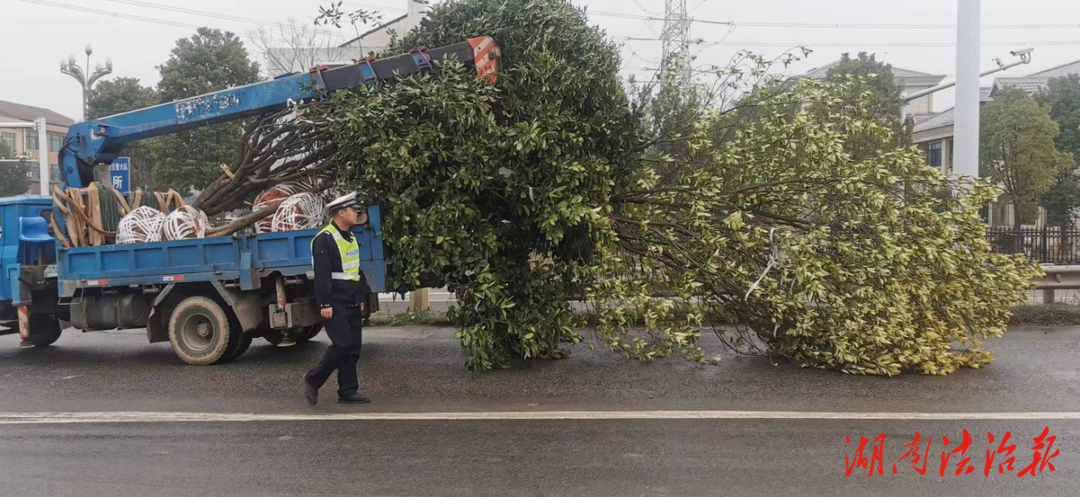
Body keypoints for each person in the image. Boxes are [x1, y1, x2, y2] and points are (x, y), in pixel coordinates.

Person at [304, 192, 372, 405]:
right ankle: (313, 380)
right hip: (335, 300)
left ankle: (348, 390)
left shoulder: (351, 237)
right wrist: (324, 304)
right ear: (341, 213)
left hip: (351, 298)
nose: (357, 213)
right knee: (342, 345)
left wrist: (360, 296)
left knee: (353, 347)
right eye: (353, 210)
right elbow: (322, 276)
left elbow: (356, 271)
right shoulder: (324, 239)